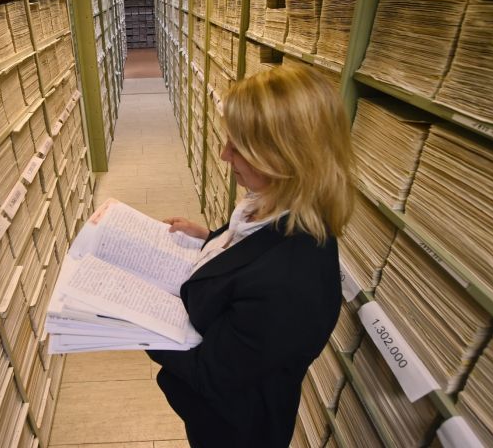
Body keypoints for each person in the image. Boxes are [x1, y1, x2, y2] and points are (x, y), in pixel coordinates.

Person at [147, 63, 354, 447]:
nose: (225, 154)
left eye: (238, 146)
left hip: (234, 428)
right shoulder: (274, 204)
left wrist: (133, 321)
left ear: (284, 156)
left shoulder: (293, 278)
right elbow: (250, 255)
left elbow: (209, 374)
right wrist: (210, 238)